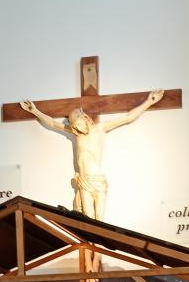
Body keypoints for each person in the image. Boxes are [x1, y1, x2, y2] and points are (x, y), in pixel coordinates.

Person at [20, 91, 164, 271]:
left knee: (100, 223)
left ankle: (97, 259)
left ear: (86, 119)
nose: (79, 129)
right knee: (87, 223)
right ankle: (88, 262)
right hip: (84, 182)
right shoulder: (76, 134)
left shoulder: (100, 129)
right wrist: (35, 111)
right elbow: (52, 124)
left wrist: (148, 102)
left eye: (79, 125)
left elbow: (128, 118)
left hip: (98, 182)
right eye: (75, 127)